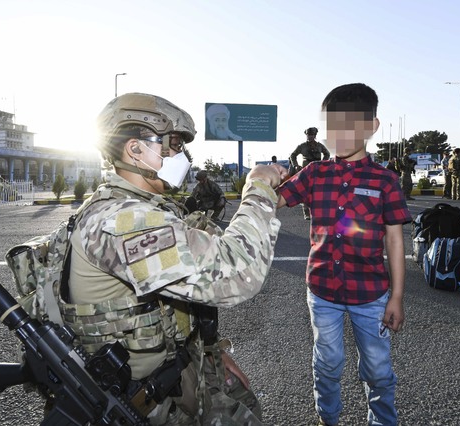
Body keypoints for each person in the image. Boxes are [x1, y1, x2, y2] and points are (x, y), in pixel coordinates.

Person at [55, 93, 286, 425]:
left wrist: (212, 355)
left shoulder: (144, 208)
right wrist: (259, 186)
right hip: (143, 405)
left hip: (172, 375)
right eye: (175, 144)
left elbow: (170, 304)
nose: (183, 155)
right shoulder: (121, 222)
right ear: (135, 149)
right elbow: (237, 271)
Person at [277, 83, 410, 426]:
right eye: (332, 125)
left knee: (378, 368)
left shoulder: (385, 180)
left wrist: (396, 297)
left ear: (371, 127)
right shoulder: (314, 173)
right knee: (328, 362)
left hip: (371, 295)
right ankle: (328, 418)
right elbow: (275, 199)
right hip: (322, 292)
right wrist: (261, 180)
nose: (340, 133)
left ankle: (382, 421)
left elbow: (395, 241)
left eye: (350, 124)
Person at [289, 127, 331, 220]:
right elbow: (293, 155)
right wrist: (296, 165)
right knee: (305, 191)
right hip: (306, 169)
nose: (310, 137)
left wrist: (323, 163)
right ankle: (306, 212)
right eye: (308, 135)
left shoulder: (319, 146)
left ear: (315, 136)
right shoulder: (302, 146)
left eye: (312, 135)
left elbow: (327, 154)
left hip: (317, 170)